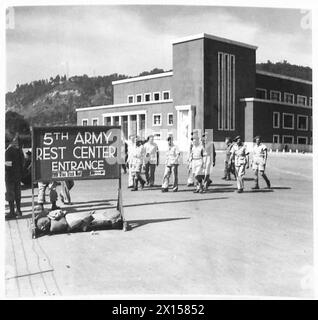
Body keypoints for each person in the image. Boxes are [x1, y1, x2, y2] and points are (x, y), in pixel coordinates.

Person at [5, 134, 24, 218]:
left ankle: (12, 212)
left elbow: (8, 165)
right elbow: (23, 161)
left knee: (10, 193)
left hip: (10, 176)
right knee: (18, 194)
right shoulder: (18, 150)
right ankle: (19, 210)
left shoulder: (8, 151)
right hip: (18, 175)